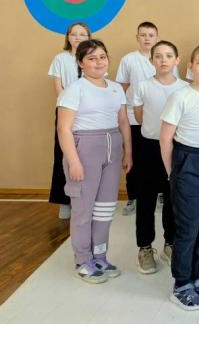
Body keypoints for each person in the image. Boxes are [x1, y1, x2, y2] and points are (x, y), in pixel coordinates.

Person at [57, 39, 132, 283]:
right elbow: (64, 129)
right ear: (81, 63)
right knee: (83, 209)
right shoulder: (75, 89)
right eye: (91, 58)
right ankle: (83, 260)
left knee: (105, 209)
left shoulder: (116, 88)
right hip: (85, 150)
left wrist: (128, 152)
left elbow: (123, 122)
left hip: (113, 148)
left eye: (102, 57)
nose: (98, 62)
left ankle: (100, 256)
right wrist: (74, 161)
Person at [159, 44, 199, 310]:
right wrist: (172, 173)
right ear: (190, 67)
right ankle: (181, 284)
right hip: (188, 162)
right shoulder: (180, 97)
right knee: (188, 227)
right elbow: (165, 139)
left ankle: (197, 278)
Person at [131, 40, 188, 274]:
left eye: (168, 55)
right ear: (151, 60)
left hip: (176, 147)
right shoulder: (143, 86)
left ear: (177, 60)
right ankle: (145, 247)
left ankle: (170, 243)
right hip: (148, 148)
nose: (163, 60)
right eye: (158, 56)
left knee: (173, 198)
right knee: (145, 199)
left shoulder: (185, 88)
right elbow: (139, 115)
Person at [116, 21, 162, 216]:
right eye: (143, 35)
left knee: (158, 158)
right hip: (133, 118)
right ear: (137, 38)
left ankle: (160, 194)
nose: (147, 38)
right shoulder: (128, 60)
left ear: (156, 38)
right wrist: (123, 113)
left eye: (151, 35)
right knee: (133, 157)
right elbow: (123, 87)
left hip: (157, 119)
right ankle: (132, 196)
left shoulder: (162, 58)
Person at [48, 22, 91, 219]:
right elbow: (58, 85)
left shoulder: (92, 57)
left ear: (88, 37)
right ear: (68, 37)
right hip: (66, 110)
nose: (77, 37)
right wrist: (69, 104)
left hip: (88, 112)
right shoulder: (60, 58)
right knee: (63, 154)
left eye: (82, 34)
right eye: (73, 34)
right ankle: (64, 201)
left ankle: (84, 200)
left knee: (85, 156)